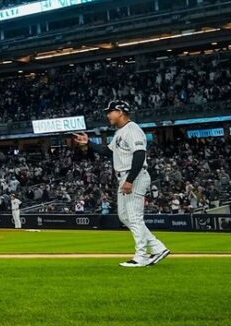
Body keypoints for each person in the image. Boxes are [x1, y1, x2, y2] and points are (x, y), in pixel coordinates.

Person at [70, 100, 169, 268]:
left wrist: (130, 180)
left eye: (111, 111)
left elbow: (139, 155)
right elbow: (107, 151)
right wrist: (89, 143)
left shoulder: (133, 129)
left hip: (134, 175)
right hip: (125, 176)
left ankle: (141, 256)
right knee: (124, 216)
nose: (108, 115)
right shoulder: (119, 132)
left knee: (134, 217)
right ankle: (158, 247)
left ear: (121, 112)